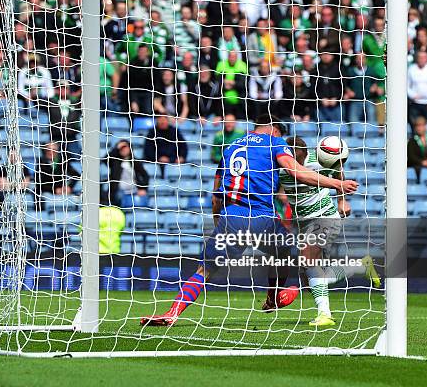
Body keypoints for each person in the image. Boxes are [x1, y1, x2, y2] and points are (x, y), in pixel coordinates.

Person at [140, 115, 359, 326]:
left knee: (203, 271)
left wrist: (219, 223)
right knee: (283, 254)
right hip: (263, 218)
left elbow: (216, 196)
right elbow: (297, 172)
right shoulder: (274, 142)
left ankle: (172, 313)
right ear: (274, 130)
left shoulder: (230, 147)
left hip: (233, 217)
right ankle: (273, 298)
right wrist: (339, 185)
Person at [280, 137, 380, 327]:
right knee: (313, 278)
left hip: (325, 216)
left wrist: (342, 200)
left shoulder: (318, 160)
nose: (294, 162)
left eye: (297, 157)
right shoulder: (280, 166)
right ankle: (360, 265)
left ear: (304, 153)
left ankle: (325, 315)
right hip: (302, 223)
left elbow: (338, 172)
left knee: (308, 258)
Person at [103, 140, 149, 207]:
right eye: (121, 148)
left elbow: (145, 176)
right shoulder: (115, 162)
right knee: (119, 198)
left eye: (125, 147)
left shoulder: (135, 162)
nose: (123, 149)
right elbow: (105, 160)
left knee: (143, 199)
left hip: (134, 190)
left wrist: (143, 189)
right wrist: (116, 148)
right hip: (119, 191)